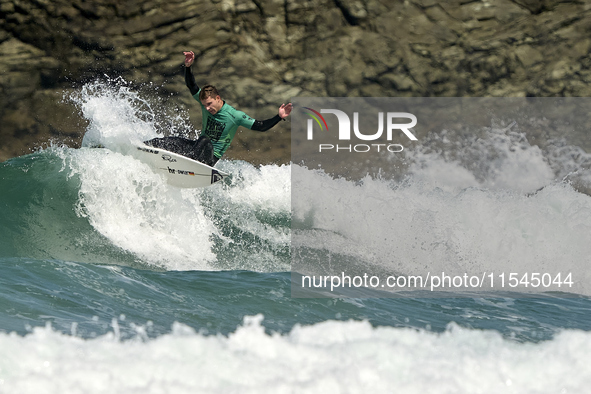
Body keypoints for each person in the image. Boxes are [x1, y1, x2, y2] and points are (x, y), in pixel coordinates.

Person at [146, 51, 293, 167]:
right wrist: (188, 67)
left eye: (209, 104)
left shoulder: (235, 115)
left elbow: (260, 127)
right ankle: (142, 147)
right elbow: (192, 86)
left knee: (204, 140)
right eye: (204, 105)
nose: (207, 108)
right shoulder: (205, 103)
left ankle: (187, 163)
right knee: (169, 141)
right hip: (196, 151)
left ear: (218, 98)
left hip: (209, 158)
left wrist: (279, 116)